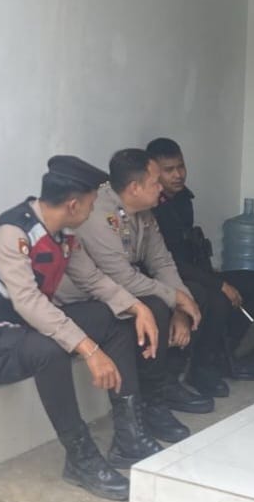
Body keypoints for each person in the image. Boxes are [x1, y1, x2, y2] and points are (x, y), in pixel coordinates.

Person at [0, 155, 164, 501]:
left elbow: (92, 279)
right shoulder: (12, 233)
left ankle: (128, 437)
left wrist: (137, 307)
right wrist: (89, 350)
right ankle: (81, 458)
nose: (93, 211)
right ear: (73, 205)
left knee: (113, 317)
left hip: (25, 330)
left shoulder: (64, 234)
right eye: (91, 204)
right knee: (50, 350)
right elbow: (29, 303)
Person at [56, 148, 229, 422]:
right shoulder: (98, 215)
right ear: (135, 188)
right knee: (157, 307)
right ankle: (150, 400)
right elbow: (121, 277)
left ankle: (167, 383)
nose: (161, 188)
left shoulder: (143, 211)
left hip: (117, 292)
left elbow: (161, 262)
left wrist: (181, 306)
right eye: (155, 182)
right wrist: (176, 299)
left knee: (194, 296)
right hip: (87, 299)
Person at [147, 137, 254, 386]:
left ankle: (223, 354)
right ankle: (200, 367)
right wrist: (218, 284)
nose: (178, 175)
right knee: (216, 297)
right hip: (168, 277)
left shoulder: (182, 199)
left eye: (181, 166)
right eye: (169, 170)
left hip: (193, 271)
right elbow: (168, 262)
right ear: (153, 172)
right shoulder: (152, 207)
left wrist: (214, 277)